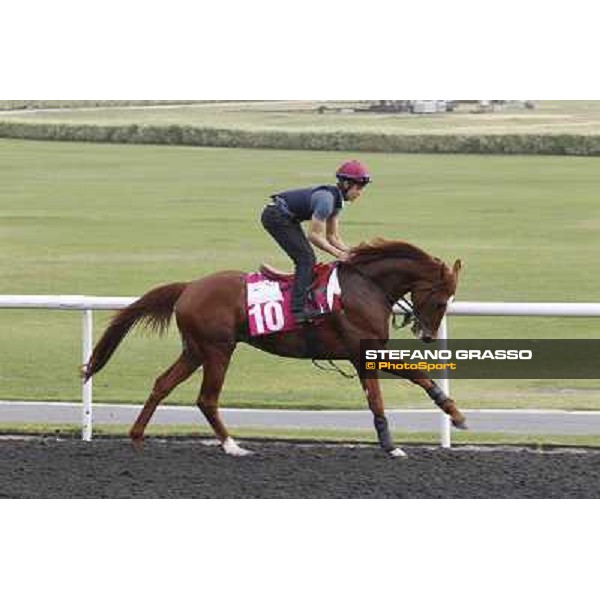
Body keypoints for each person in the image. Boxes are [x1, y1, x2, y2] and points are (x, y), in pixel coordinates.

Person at [261, 159, 372, 323]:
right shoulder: (326, 201)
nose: (359, 193)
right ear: (347, 184)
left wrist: (350, 252)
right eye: (358, 188)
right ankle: (297, 311)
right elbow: (313, 236)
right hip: (275, 216)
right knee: (306, 259)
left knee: (307, 258)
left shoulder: (337, 203)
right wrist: (338, 254)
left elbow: (332, 237)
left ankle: (303, 300)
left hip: (286, 217)